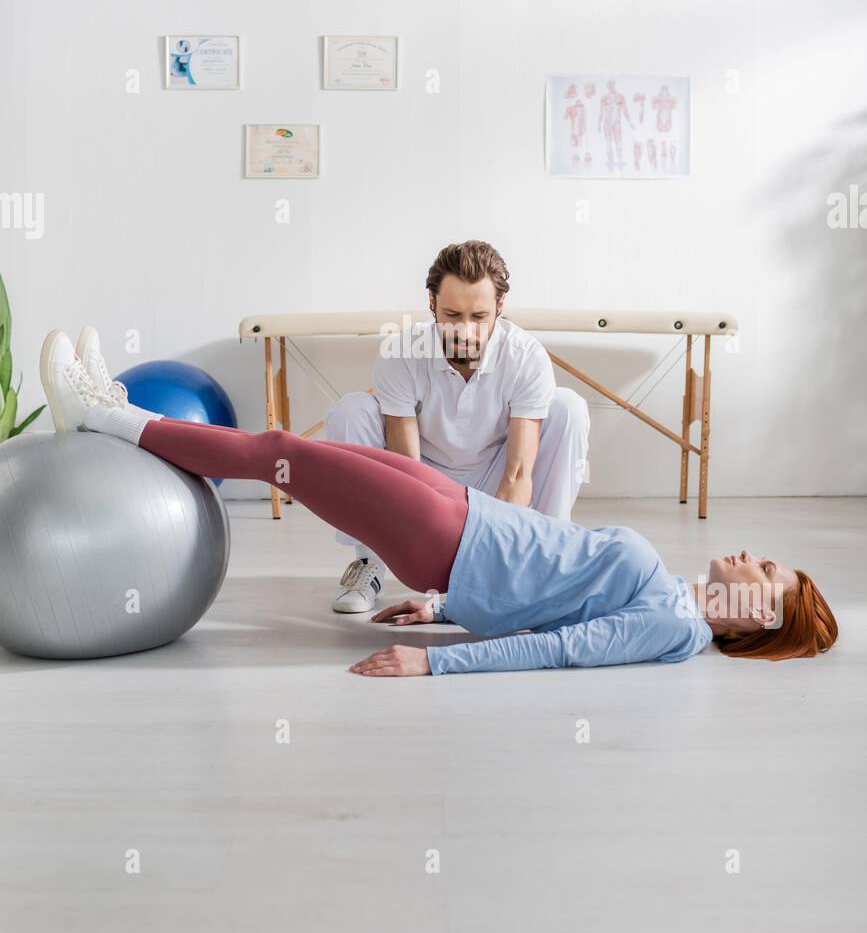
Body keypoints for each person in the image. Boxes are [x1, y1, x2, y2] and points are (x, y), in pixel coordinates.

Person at [39, 329, 839, 679]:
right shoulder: (671, 595)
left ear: (758, 619)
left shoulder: (672, 627)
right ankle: (117, 409)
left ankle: (106, 413)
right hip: (462, 522)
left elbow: (557, 652)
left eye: (766, 572)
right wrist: (445, 609)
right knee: (319, 449)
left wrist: (437, 662)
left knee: (280, 453)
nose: (752, 557)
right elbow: (550, 602)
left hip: (449, 536)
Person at [323, 240, 590, 614]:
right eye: (452, 315)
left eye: (479, 317)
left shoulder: (526, 357)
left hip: (495, 473)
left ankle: (544, 558)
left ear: (500, 307)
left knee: (568, 407)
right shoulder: (401, 354)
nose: (464, 331)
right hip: (428, 474)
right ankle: (370, 563)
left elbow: (517, 475)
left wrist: (487, 568)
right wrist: (425, 547)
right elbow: (408, 474)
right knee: (351, 410)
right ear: (431, 302)